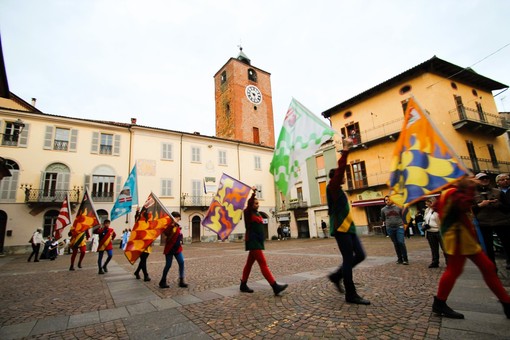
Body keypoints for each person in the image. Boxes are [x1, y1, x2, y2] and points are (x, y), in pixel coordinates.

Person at [433, 175, 510, 319]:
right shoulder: (451, 193)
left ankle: (507, 303)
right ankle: (439, 302)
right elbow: (463, 204)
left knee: (485, 267)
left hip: (462, 237)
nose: (471, 178)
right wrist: (469, 186)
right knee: (457, 270)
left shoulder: (449, 192)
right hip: (458, 237)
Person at [326, 138, 370, 305]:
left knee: (360, 255)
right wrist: (345, 150)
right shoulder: (333, 188)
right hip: (341, 228)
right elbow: (340, 169)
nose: (344, 176)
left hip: (349, 228)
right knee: (348, 258)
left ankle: (336, 276)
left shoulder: (338, 190)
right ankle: (350, 294)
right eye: (341, 175)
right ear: (336, 177)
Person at [240, 187, 288, 296]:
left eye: (258, 203)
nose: (258, 205)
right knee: (263, 264)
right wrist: (253, 193)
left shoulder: (257, 214)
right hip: (253, 241)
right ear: (251, 204)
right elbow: (249, 203)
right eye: (256, 204)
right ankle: (274, 286)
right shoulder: (248, 213)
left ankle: (243, 284)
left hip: (257, 242)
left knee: (249, 264)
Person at [472, 172, 507, 268]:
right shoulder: (472, 194)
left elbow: (507, 208)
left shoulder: (498, 192)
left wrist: (498, 205)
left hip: (501, 222)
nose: (484, 180)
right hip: (483, 224)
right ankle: (492, 267)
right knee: (488, 248)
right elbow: (470, 210)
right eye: (482, 178)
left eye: (486, 178)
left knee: (507, 244)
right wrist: (480, 205)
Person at [159, 211, 188, 288]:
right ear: (174, 218)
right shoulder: (169, 226)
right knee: (168, 265)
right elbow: (166, 233)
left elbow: (178, 234)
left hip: (177, 249)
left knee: (181, 262)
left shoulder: (177, 226)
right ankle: (162, 281)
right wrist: (172, 225)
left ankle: (181, 280)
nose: (179, 219)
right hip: (170, 249)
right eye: (178, 218)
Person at [381, 196, 409, 265]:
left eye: (389, 199)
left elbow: (403, 216)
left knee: (401, 242)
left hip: (399, 227)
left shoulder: (398, 207)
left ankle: (405, 259)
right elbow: (383, 218)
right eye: (386, 200)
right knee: (395, 243)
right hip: (390, 228)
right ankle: (399, 259)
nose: (388, 201)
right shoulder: (383, 210)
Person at [423, 197, 446, 268]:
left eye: (428, 202)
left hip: (438, 231)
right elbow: (425, 219)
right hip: (430, 232)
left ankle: (449, 262)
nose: (427, 204)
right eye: (426, 202)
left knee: (444, 248)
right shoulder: (427, 210)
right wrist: (424, 225)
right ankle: (435, 262)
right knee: (433, 248)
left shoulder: (438, 209)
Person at [495, 173, 510, 270]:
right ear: (498, 182)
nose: (506, 181)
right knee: (506, 242)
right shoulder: (496, 193)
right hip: (501, 221)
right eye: (503, 179)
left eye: (507, 179)